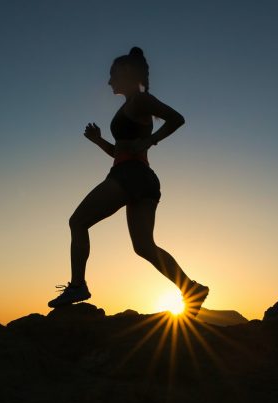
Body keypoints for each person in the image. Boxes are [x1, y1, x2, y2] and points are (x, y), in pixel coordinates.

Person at [48, 46, 209, 317]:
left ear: (125, 73)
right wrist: (99, 141)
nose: (109, 81)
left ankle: (77, 286)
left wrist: (150, 139)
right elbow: (120, 151)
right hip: (141, 177)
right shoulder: (131, 105)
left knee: (78, 221)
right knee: (144, 246)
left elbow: (177, 119)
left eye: (112, 74)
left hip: (130, 175)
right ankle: (191, 288)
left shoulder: (139, 101)